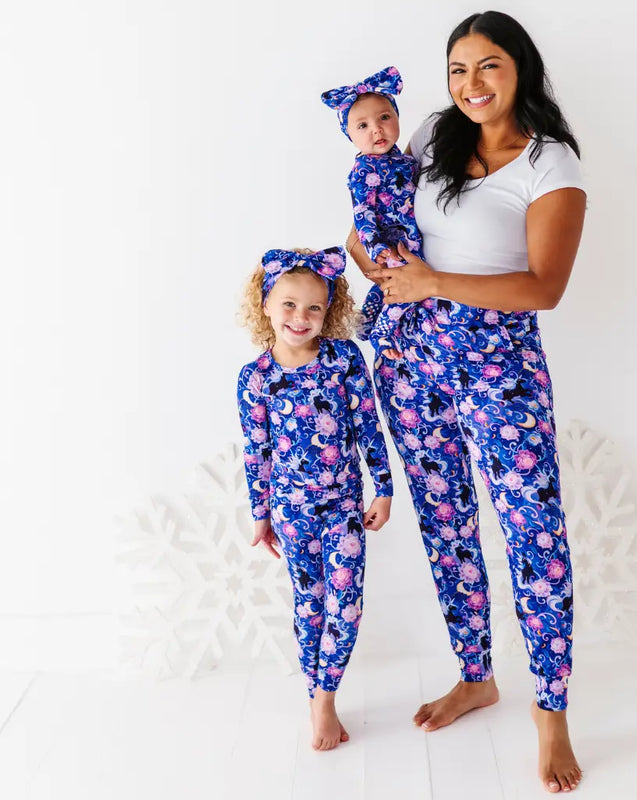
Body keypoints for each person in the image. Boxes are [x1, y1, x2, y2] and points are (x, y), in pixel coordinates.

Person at [346, 10, 586, 794]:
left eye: (487, 67)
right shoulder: (428, 135)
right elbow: (380, 220)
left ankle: (550, 711)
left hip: (499, 369)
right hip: (410, 363)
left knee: (532, 533)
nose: (471, 85)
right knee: (447, 525)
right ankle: (476, 674)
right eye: (457, 69)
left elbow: (544, 288)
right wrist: (365, 250)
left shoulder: (551, 165)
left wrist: (434, 282)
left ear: (520, 69)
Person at [236, 246, 393, 751]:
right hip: (291, 512)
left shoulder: (344, 359)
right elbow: (255, 451)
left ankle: (325, 699)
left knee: (345, 606)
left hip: (343, 508)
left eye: (313, 308)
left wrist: (384, 488)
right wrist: (260, 515)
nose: (300, 318)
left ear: (329, 312)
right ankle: (315, 697)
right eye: (288, 305)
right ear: (264, 305)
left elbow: (370, 426)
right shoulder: (255, 377)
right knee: (311, 605)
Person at [321, 66, 423, 359]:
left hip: (413, 235)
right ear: (350, 135)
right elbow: (362, 215)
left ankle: (366, 320)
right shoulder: (363, 171)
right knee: (408, 288)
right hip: (393, 244)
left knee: (393, 286)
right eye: (362, 126)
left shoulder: (406, 161)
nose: (377, 129)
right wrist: (376, 247)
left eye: (384, 118)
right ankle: (381, 332)